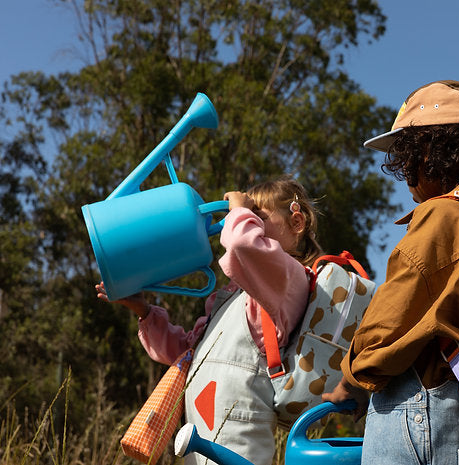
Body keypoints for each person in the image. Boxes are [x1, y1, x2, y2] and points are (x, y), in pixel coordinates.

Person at [322, 80, 459, 465]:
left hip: (424, 412)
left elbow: (389, 322)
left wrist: (351, 380)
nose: (405, 171)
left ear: (430, 152)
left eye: (406, 155)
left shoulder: (441, 215)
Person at [96, 175, 322, 465]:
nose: (248, 221)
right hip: (199, 438)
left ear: (296, 223)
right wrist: (143, 311)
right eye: (247, 216)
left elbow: (241, 245)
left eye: (257, 216)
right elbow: (185, 352)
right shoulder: (236, 297)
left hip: (239, 438)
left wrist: (238, 210)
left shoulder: (291, 281)